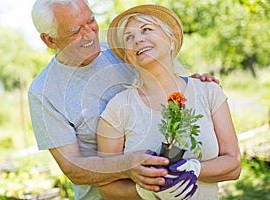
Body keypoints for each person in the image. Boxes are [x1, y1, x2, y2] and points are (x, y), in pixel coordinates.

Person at [28, 0, 221, 199]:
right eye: (75, 30)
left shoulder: (124, 52)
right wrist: (128, 166)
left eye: (91, 20)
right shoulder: (44, 92)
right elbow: (72, 167)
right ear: (50, 41)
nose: (90, 33)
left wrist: (194, 85)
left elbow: (167, 82)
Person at [97, 4, 242, 200]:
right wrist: (145, 191)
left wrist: (193, 169)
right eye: (128, 38)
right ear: (128, 57)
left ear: (171, 41)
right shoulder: (117, 108)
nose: (137, 39)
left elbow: (233, 166)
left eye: (146, 29)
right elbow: (105, 185)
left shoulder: (208, 91)